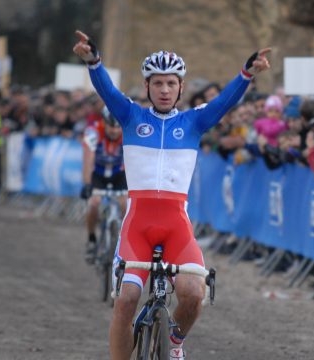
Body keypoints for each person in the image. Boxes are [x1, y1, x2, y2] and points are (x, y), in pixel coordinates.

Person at [73, 30, 271, 360]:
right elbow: (106, 90)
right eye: (158, 83)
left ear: (181, 88)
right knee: (125, 301)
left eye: (171, 83)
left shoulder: (194, 122)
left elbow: (225, 101)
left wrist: (246, 73)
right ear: (148, 87)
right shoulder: (130, 116)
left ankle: (174, 340)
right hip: (138, 227)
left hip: (176, 226)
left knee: (194, 294)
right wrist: (94, 61)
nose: (164, 90)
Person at [80, 107, 127, 264]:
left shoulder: (128, 132)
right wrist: (87, 184)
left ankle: (124, 240)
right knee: (94, 203)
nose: (114, 131)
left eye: (117, 127)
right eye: (110, 126)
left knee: (125, 203)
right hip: (98, 174)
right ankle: (92, 239)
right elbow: (88, 159)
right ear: (103, 123)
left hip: (119, 173)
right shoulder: (93, 132)